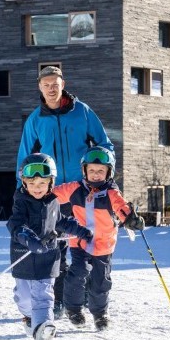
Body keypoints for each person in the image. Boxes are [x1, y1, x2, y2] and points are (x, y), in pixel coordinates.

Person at [16, 66, 113, 319]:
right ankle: (58, 299)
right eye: (46, 84)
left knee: (86, 244)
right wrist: (22, 191)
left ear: (63, 84)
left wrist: (102, 172)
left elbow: (104, 145)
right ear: (40, 87)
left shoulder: (82, 112)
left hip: (82, 193)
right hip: (52, 195)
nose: (51, 88)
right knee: (53, 248)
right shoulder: (35, 119)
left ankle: (88, 296)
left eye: (55, 84)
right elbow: (24, 157)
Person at [52, 146, 145, 331]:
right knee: (78, 273)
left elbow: (121, 207)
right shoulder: (75, 189)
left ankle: (100, 313)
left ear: (109, 172)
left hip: (104, 244)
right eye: (92, 170)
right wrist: (37, 197)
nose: (96, 175)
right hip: (80, 242)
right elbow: (52, 195)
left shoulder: (111, 192)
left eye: (101, 171)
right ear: (84, 170)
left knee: (100, 281)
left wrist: (131, 219)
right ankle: (74, 309)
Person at [7, 153, 93, 340]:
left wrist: (81, 231)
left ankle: (43, 328)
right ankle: (30, 318)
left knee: (43, 294)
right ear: (24, 183)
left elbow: (61, 221)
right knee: (24, 297)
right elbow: (15, 225)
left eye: (42, 183)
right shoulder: (21, 202)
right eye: (32, 183)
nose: (37, 187)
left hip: (48, 257)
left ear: (51, 182)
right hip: (24, 257)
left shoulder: (53, 202)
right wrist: (29, 239)